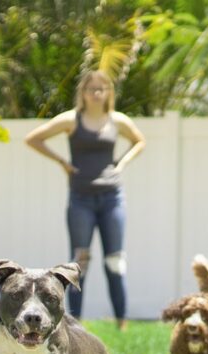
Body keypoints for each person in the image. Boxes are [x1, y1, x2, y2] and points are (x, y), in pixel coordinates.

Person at [25, 70, 146, 331]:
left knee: (115, 261)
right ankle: (75, 323)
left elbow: (139, 141)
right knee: (79, 263)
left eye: (102, 88)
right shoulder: (72, 120)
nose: (96, 93)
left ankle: (121, 322)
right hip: (81, 198)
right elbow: (33, 139)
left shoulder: (117, 121)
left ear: (108, 93)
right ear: (83, 92)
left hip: (111, 198)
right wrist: (62, 163)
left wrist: (122, 163)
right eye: (91, 88)